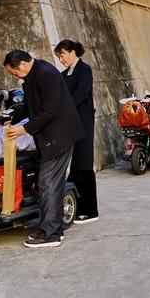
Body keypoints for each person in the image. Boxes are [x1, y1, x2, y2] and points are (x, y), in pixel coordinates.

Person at [3, 49, 85, 248]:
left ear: (23, 64)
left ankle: (50, 234)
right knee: (51, 183)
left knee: (47, 183)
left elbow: (49, 110)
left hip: (60, 136)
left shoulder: (46, 75)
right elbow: (31, 106)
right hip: (52, 136)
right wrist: (9, 118)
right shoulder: (33, 75)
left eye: (14, 73)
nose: (15, 76)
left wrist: (24, 129)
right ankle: (55, 229)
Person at [55, 39, 98, 224]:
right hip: (69, 125)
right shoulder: (63, 75)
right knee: (73, 167)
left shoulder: (84, 70)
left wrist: (63, 109)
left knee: (84, 165)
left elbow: (81, 93)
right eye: (58, 56)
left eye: (62, 54)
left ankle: (90, 210)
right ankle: (76, 207)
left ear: (72, 52)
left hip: (84, 124)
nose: (61, 59)